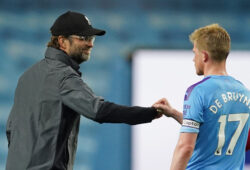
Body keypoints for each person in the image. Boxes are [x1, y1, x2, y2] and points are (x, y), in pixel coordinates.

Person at [5, 11, 169, 170]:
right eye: (83, 38)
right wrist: (151, 113)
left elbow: (11, 129)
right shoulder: (63, 76)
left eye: (91, 38)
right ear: (62, 41)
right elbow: (100, 111)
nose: (90, 43)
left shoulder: (26, 76)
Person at [154, 24, 250, 170]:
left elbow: (185, 147)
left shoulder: (198, 91)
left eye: (195, 53)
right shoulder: (244, 92)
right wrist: (173, 113)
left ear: (204, 56)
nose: (193, 59)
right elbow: (211, 128)